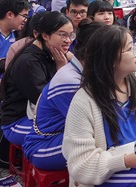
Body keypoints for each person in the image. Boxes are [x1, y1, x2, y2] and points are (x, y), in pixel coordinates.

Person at [63, 25, 136, 186]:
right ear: (110, 59)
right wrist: (126, 160)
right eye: (130, 49)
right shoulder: (84, 101)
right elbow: (81, 166)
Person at [22, 19, 104, 171]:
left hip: (62, 135)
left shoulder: (80, 71)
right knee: (102, 145)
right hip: (45, 145)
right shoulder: (70, 81)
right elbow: (91, 124)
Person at [0, 11, 73, 146]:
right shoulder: (29, 62)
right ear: (45, 35)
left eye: (70, 35)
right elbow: (45, 102)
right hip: (18, 121)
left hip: (39, 115)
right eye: (63, 35)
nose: (68, 40)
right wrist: (61, 70)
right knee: (74, 132)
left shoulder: (53, 52)